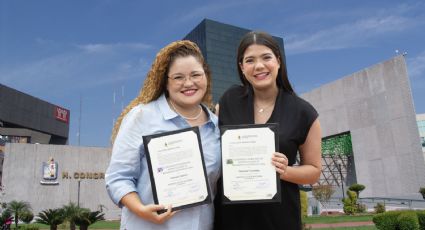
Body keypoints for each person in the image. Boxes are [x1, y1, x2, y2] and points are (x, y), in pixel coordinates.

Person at [105, 40, 221, 230]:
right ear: (166, 82)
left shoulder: (216, 125)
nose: (188, 83)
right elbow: (118, 178)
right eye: (178, 77)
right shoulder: (142, 116)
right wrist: (141, 209)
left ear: (206, 77)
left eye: (195, 75)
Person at [214, 31, 322, 229]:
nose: (259, 66)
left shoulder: (303, 112)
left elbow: (314, 171)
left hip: (279, 220)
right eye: (250, 60)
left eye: (266, 57)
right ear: (242, 67)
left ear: (278, 61)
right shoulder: (228, 101)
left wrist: (285, 171)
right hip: (230, 219)